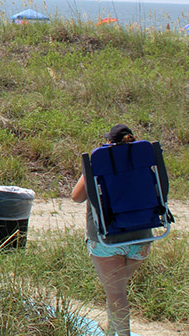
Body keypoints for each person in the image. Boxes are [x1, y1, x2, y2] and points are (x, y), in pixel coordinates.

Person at [71, 124, 151, 336]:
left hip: (108, 239)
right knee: (116, 289)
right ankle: (110, 328)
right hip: (142, 238)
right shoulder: (143, 160)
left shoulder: (100, 160)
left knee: (116, 293)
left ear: (108, 142)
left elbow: (76, 197)